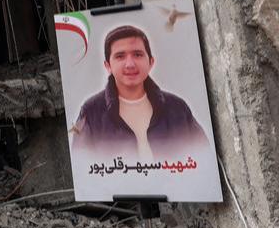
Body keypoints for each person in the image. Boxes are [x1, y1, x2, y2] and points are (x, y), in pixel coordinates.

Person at [71, 25, 209, 160]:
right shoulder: (91, 113)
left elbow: (204, 158)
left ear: (151, 62)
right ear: (108, 66)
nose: (130, 64)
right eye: (120, 56)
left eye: (137, 54)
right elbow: (83, 172)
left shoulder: (177, 109)